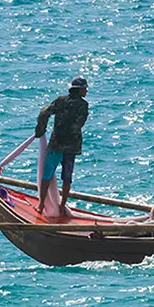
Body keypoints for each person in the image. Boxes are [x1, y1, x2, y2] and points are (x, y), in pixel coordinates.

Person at [34, 77, 89, 214]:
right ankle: (62, 205)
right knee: (67, 177)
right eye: (85, 88)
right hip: (71, 146)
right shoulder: (83, 105)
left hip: (56, 143)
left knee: (47, 174)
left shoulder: (60, 101)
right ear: (79, 90)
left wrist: (41, 129)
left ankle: (41, 204)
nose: (86, 91)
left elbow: (44, 112)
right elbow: (79, 124)